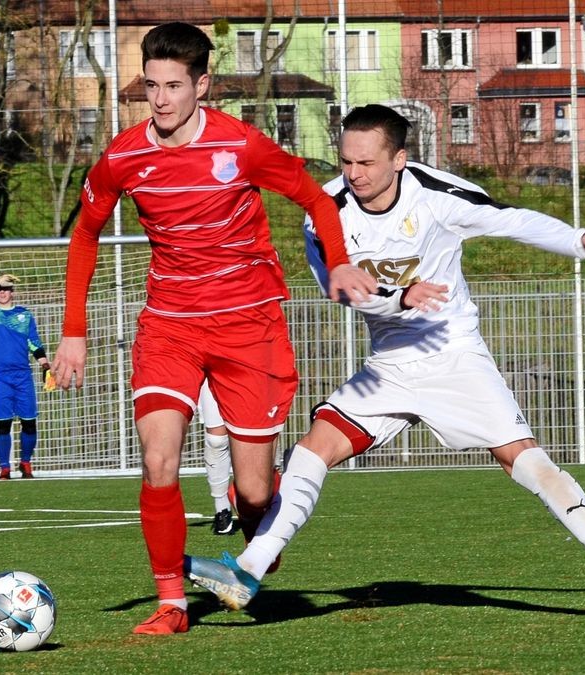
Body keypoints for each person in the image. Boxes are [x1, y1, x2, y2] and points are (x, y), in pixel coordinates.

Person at [185, 103, 585, 625]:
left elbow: (510, 219)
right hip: (389, 364)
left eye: (366, 163)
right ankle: (249, 570)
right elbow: (337, 287)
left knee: (525, 461)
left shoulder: (436, 194)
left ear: (399, 160)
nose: (353, 174)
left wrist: (579, 242)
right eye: (346, 161)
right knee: (314, 448)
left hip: (453, 353)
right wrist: (400, 297)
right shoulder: (324, 209)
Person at [49, 22, 377, 635]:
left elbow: (315, 198)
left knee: (253, 493)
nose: (161, 99)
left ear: (202, 85)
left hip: (248, 325)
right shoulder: (123, 156)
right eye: (152, 85)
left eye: (174, 85)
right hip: (169, 325)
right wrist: (75, 329)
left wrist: (337, 261)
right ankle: (172, 602)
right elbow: (85, 233)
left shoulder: (243, 146)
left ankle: (261, 533)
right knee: (159, 458)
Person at [0, 273, 53, 480]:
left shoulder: (25, 314)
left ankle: (26, 463)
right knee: (3, 423)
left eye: (5, 289)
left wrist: (45, 366)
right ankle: (4, 468)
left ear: (12, 292)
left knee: (29, 421)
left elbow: (34, 342)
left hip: (22, 375)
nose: (2, 293)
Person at [198, 380, 236, 536]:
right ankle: (222, 510)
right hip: (210, 363)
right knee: (216, 440)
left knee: (255, 435)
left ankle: (266, 498)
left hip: (250, 365)